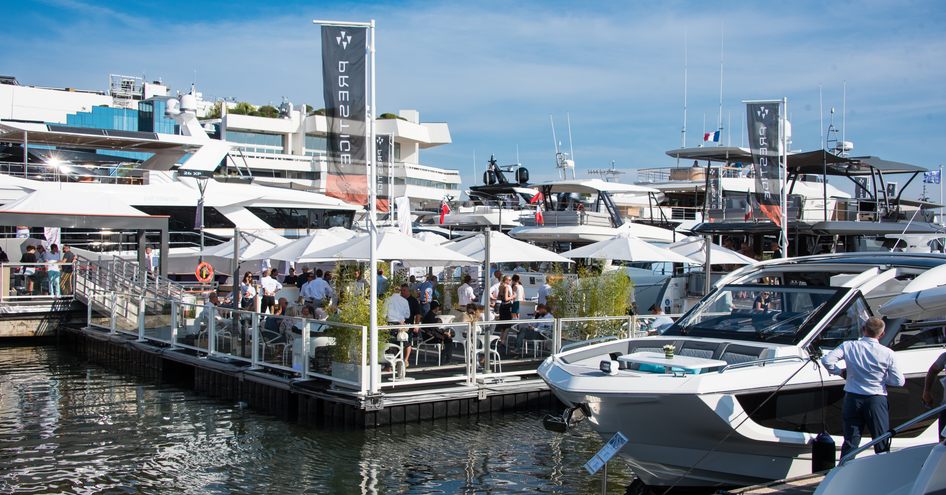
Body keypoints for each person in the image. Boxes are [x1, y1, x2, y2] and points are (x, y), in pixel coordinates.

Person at [821, 317, 905, 458]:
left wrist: (840, 372)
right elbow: (899, 382)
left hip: (853, 398)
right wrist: (883, 379)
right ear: (882, 334)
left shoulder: (848, 346)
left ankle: (844, 472)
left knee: (851, 441)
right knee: (881, 440)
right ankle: (883, 471)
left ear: (863, 329)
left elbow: (827, 360)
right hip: (876, 399)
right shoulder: (888, 353)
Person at [921, 351, 946, 441]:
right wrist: (927, 391)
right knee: (943, 443)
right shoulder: (944, 357)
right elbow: (933, 370)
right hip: (945, 408)